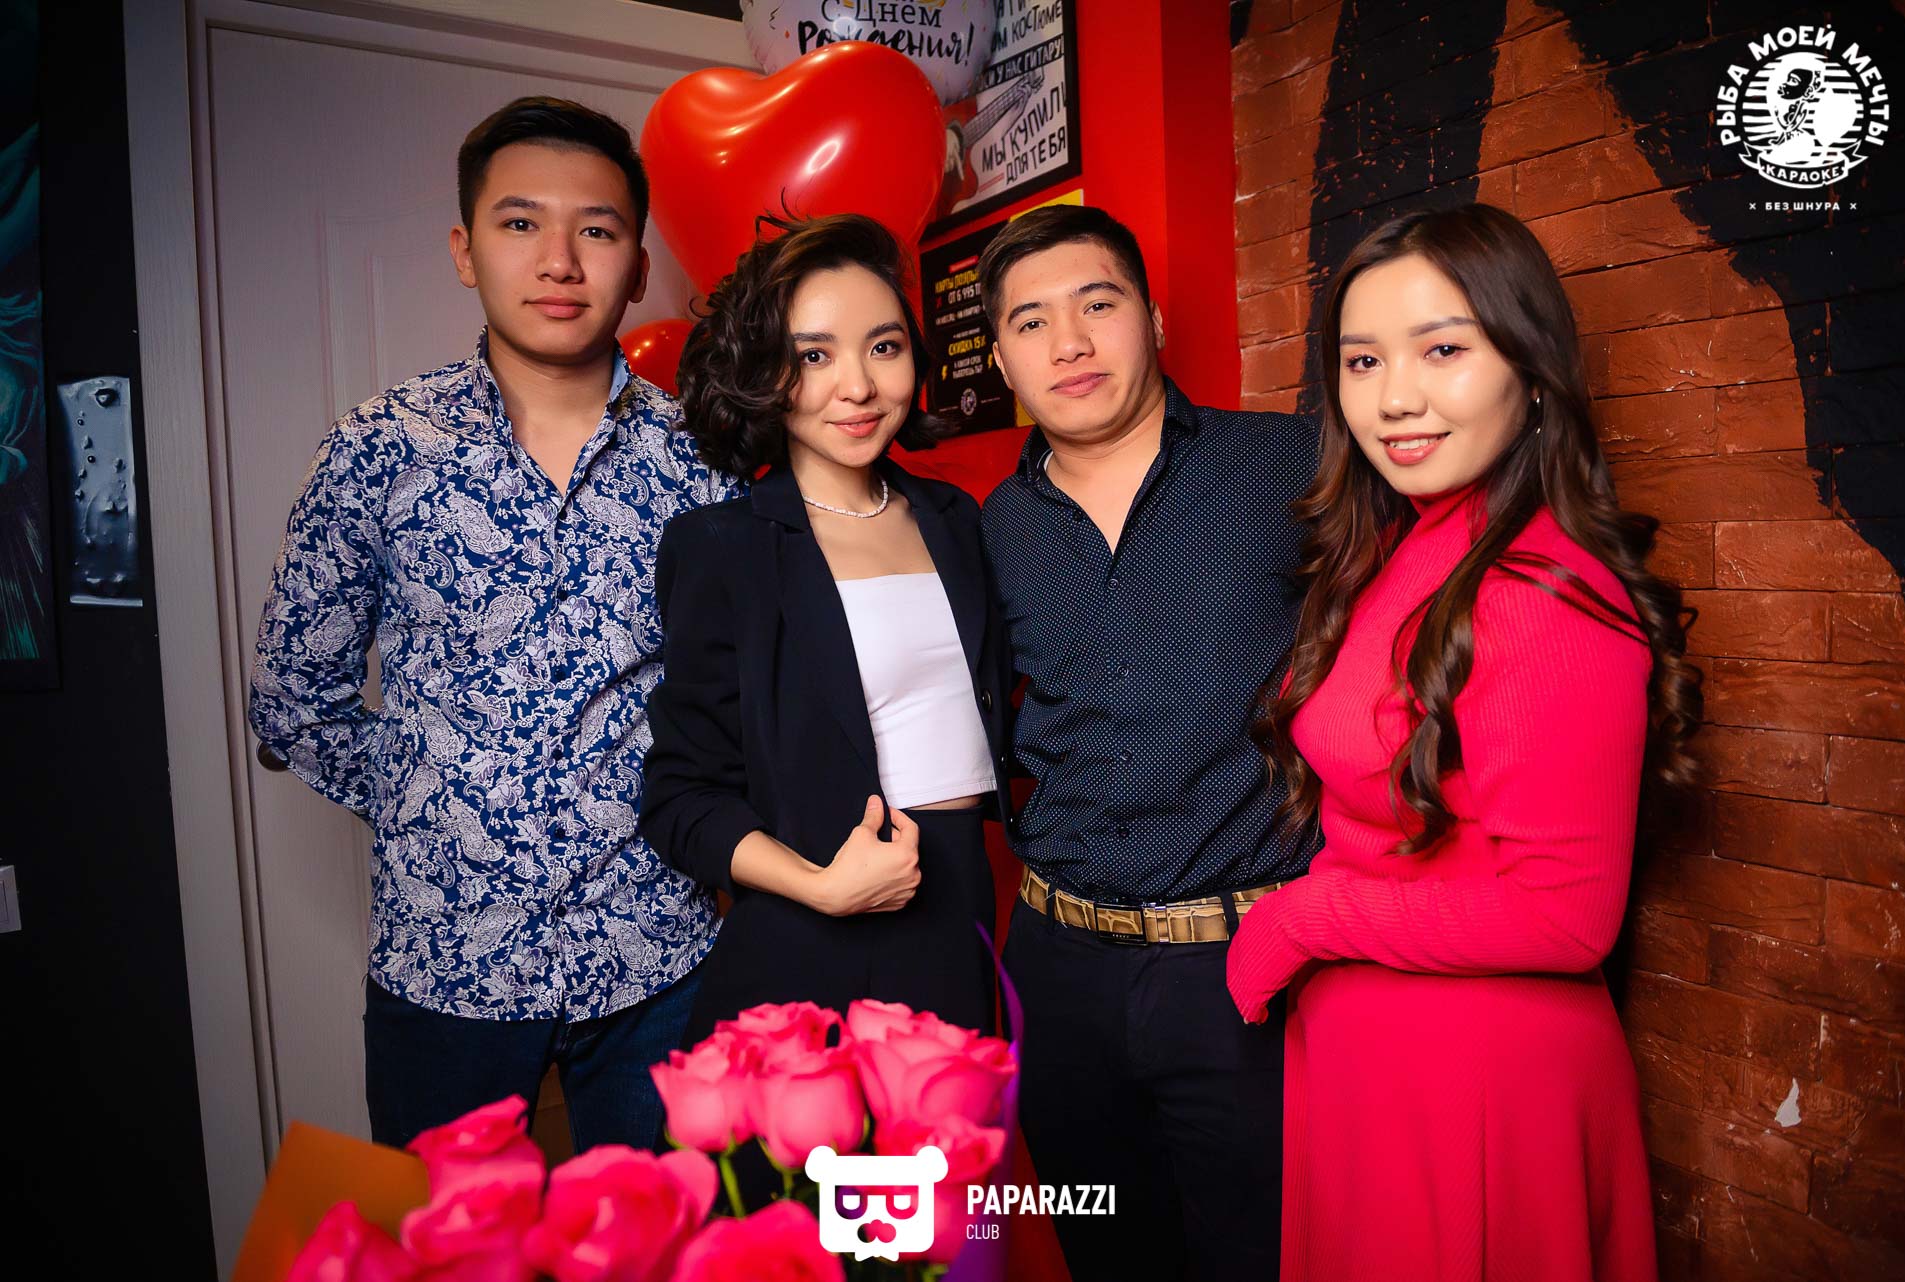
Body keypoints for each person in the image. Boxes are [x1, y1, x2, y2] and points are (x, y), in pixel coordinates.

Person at [248, 97, 737, 1152]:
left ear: (638, 267)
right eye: (521, 224)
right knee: (452, 1236)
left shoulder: (702, 460)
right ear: (466, 251)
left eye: (596, 229)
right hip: (446, 964)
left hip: (657, 953)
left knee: (673, 1232)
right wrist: (436, 806)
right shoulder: (378, 449)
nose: (559, 260)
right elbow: (293, 698)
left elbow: (747, 688)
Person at [1225, 203, 1700, 1281]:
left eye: (1442, 350)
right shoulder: (1417, 544)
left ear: (1531, 370)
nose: (1394, 397)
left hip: (1476, 1081)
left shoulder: (1541, 591)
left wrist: (1304, 918)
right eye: (1363, 360)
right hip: (1376, 1059)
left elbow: (1566, 916)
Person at [975, 203, 1320, 1281]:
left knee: (1264, 1260)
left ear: (1154, 318)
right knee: (1108, 1256)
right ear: (1002, 362)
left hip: (1247, 966)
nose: (1069, 343)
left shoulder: (1292, 464)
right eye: (1032, 322)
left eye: (1098, 303)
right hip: (1058, 968)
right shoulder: (988, 529)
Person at [641, 212, 1009, 1052]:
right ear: (765, 372)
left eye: (883, 347)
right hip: (814, 934)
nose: (858, 386)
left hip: (959, 914)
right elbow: (680, 797)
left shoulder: (955, 520)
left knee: (949, 1140)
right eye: (815, 356)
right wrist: (821, 887)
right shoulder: (725, 547)